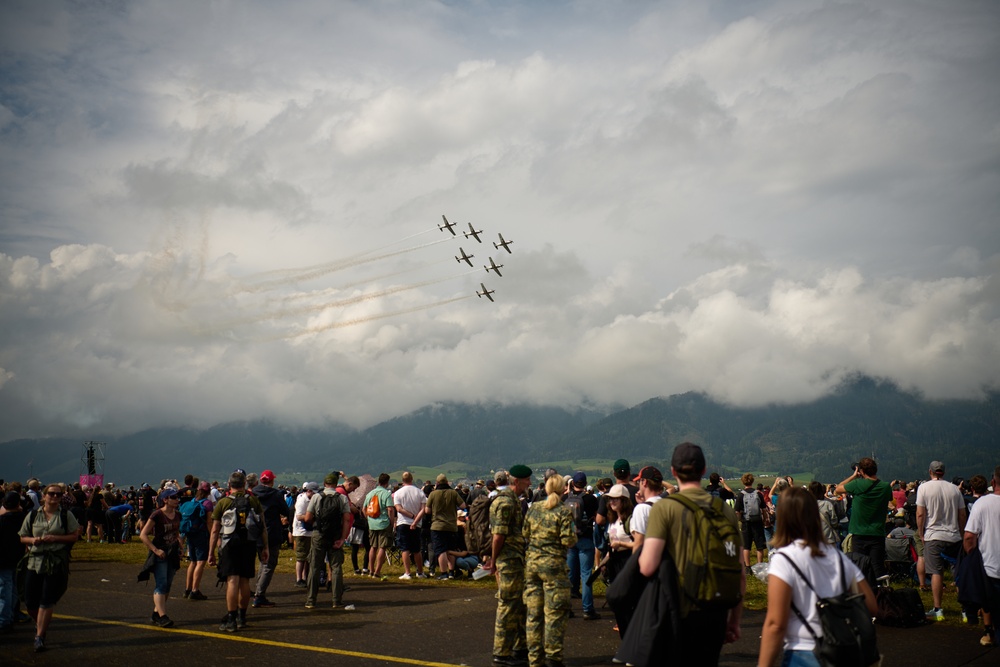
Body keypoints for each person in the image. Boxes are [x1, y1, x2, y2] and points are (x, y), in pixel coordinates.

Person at [639, 443, 744, 664]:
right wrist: (734, 620)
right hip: (715, 608)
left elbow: (647, 566)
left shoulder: (665, 508)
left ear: (673, 471)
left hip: (677, 609)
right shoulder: (723, 510)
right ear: (704, 470)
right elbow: (739, 568)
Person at [758, 486, 878, 667]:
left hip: (803, 650)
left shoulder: (783, 559)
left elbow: (776, 624)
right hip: (841, 650)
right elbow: (871, 605)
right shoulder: (837, 556)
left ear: (783, 518)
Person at [523, 473, 577, 667]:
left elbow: (525, 533)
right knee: (555, 613)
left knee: (533, 613)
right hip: (554, 565)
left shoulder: (534, 508)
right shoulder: (563, 511)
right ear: (564, 489)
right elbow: (568, 540)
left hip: (532, 565)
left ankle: (534, 658)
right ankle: (553, 657)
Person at [18, 483, 80, 652]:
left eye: (58, 495)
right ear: (43, 496)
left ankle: (40, 636)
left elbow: (74, 535)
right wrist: (32, 541)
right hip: (34, 561)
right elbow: (23, 537)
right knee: (30, 601)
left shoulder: (66, 515)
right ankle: (40, 624)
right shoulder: (32, 515)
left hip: (55, 561)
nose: (54, 497)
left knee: (47, 599)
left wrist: (56, 538)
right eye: (51, 494)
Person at [209, 470, 268, 632]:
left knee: (232, 581)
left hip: (230, 544)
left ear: (229, 485)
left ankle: (231, 618)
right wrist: (265, 547)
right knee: (244, 582)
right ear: (244, 485)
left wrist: (211, 552)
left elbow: (215, 530)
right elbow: (262, 526)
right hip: (249, 543)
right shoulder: (253, 501)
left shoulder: (223, 502)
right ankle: (242, 616)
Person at [487, 464, 532, 666]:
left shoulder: (513, 500)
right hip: (508, 560)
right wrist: (494, 561)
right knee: (507, 605)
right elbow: (498, 536)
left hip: (516, 559)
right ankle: (502, 652)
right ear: (516, 481)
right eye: (526, 480)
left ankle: (519, 647)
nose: (530, 483)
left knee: (519, 605)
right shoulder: (505, 503)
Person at [916, 460, 967, 621]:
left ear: (930, 471)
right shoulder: (954, 489)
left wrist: (920, 532)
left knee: (936, 572)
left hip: (933, 534)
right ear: (943, 472)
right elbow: (962, 515)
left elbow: (920, 514)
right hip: (954, 535)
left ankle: (938, 609)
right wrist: (961, 532)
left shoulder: (924, 488)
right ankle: (965, 609)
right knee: (958, 573)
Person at [835, 457, 893, 579]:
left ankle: (864, 593)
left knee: (860, 567)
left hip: (859, 532)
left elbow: (838, 489)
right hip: (877, 532)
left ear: (861, 471)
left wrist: (854, 476)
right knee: (877, 566)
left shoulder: (857, 484)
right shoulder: (885, 487)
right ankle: (879, 593)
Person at [963, 464, 1000, 647]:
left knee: (988, 602)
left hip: (990, 565)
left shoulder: (982, 504)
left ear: (993, 482)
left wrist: (972, 556)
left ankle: (989, 630)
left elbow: (969, 536)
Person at [303, 472, 351, 610]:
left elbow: (307, 518)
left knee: (314, 566)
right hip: (335, 535)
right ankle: (336, 600)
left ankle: (311, 600)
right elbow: (347, 519)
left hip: (319, 534)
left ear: (324, 484)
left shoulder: (317, 497)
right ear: (336, 484)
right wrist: (342, 538)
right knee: (336, 567)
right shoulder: (342, 498)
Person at [139, 487, 182, 627]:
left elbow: (177, 532)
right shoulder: (157, 515)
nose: (177, 500)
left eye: (177, 497)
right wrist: (155, 550)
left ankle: (157, 613)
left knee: (168, 584)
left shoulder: (178, 515)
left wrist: (181, 547)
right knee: (161, 583)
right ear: (165, 500)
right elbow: (143, 535)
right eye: (173, 497)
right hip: (160, 553)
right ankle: (163, 616)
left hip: (172, 552)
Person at [251, 469, 291, 608]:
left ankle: (258, 589)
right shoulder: (276, 495)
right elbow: (285, 511)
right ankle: (259, 595)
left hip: (256, 533)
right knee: (269, 564)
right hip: (272, 532)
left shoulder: (253, 493)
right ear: (272, 480)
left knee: (262, 562)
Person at [565, 471, 600, 621]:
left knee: (569, 574)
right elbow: (597, 517)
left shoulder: (565, 498)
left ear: (572, 484)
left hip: (570, 539)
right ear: (585, 484)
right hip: (585, 538)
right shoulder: (591, 499)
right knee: (586, 574)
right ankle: (587, 609)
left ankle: (567, 607)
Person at [427, 474, 467, 579]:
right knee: (451, 549)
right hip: (451, 525)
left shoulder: (433, 494)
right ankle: (451, 572)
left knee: (441, 550)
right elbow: (463, 506)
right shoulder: (453, 493)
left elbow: (427, 510)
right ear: (447, 482)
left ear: (437, 482)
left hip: (437, 525)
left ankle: (443, 573)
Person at [181, 481, 213, 600]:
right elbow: (209, 522)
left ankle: (187, 589)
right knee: (200, 562)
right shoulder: (207, 504)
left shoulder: (192, 502)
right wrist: (212, 536)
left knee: (192, 562)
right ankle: (195, 590)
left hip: (191, 533)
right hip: (201, 534)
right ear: (208, 491)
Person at [393, 471, 427, 579]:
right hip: (417, 524)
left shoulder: (398, 493)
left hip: (403, 522)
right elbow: (423, 510)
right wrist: (416, 521)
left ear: (402, 480)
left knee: (405, 549)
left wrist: (411, 516)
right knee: (417, 549)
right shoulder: (419, 492)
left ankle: (407, 572)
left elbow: (399, 509)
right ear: (412, 479)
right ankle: (420, 572)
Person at [0, 491, 26, 632]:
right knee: (13, 588)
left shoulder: (3, 520)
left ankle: (4, 621)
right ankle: (10, 615)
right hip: (17, 557)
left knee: (4, 590)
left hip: (3, 559)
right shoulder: (23, 518)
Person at [364, 473, 396, 579]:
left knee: (373, 547)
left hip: (372, 523)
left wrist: (368, 518)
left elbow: (364, 509)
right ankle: (377, 571)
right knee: (382, 547)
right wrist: (391, 522)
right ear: (387, 483)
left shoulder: (370, 493)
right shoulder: (386, 494)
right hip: (383, 523)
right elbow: (390, 509)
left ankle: (371, 570)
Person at [735, 473, 769, 572]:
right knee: (759, 546)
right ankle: (759, 566)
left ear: (743, 481)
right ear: (752, 481)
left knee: (746, 545)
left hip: (746, 522)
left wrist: (740, 519)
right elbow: (763, 509)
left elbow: (737, 511)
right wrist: (765, 519)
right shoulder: (758, 494)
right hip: (757, 521)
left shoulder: (741, 495)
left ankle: (748, 567)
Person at [603, 484, 634, 584]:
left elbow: (639, 543)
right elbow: (612, 543)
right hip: (614, 561)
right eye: (610, 499)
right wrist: (604, 563)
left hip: (627, 561)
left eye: (615, 499)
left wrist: (621, 544)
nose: (611, 502)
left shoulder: (631, 520)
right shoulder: (613, 520)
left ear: (624, 501)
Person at [292, 482, 319, 587]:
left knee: (308, 556)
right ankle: (299, 579)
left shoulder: (312, 499)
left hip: (309, 531)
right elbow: (299, 516)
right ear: (309, 491)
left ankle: (305, 577)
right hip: (301, 531)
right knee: (301, 556)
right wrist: (311, 518)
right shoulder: (302, 501)